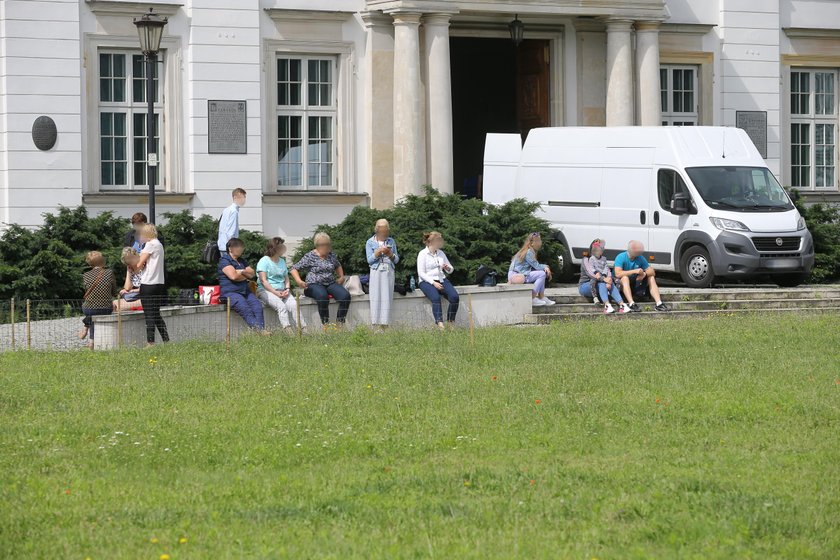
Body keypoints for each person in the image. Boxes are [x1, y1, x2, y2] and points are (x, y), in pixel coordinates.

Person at [290, 232, 351, 327]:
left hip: (330, 283)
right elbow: (294, 268)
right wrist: (299, 281)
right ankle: (326, 325)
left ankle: (339, 324)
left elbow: (338, 265)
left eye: (327, 244)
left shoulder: (331, 255)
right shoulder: (310, 256)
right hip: (313, 284)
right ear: (317, 245)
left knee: (345, 296)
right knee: (323, 297)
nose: (326, 247)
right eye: (323, 245)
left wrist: (341, 276)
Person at [256, 237, 304, 333]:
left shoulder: (282, 261)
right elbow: (263, 281)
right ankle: (288, 331)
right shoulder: (264, 260)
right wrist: (275, 293)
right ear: (274, 248)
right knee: (281, 306)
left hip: (283, 290)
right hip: (266, 290)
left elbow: (286, 278)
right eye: (281, 245)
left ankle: (303, 329)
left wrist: (287, 289)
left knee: (295, 305)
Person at [219, 237, 267, 332]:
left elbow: (252, 273)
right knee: (245, 309)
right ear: (230, 248)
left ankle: (261, 333)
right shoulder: (224, 260)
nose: (241, 248)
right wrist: (245, 273)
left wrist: (240, 272)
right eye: (238, 246)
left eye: (242, 246)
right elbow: (233, 277)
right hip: (231, 293)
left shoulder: (242, 260)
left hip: (245, 291)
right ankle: (261, 331)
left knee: (257, 306)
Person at [417, 231, 460, 329]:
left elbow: (451, 269)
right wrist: (433, 283)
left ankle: (450, 321)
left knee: (454, 297)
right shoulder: (422, 254)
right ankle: (440, 323)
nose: (441, 242)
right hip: (426, 281)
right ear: (432, 242)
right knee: (436, 298)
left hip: (441, 279)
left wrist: (447, 268)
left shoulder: (441, 253)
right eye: (439, 240)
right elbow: (421, 273)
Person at [136, 224, 170, 346]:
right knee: (156, 313)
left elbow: (139, 264)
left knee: (149, 314)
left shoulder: (150, 245)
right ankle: (166, 340)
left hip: (148, 283)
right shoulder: (159, 245)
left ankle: (151, 342)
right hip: (159, 283)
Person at [614, 240, 670, 312]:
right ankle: (631, 304)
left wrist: (644, 274)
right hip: (621, 285)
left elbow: (652, 272)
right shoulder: (621, 257)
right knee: (625, 278)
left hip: (635, 283)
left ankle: (659, 304)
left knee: (651, 277)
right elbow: (617, 274)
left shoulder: (640, 258)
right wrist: (634, 271)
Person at [365, 219, 400, 331]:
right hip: (376, 271)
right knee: (376, 297)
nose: (384, 234)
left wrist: (390, 255)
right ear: (377, 231)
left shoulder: (391, 241)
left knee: (387, 297)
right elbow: (369, 260)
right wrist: (376, 253)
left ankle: (384, 326)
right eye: (382, 232)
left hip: (388, 271)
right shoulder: (370, 242)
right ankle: (375, 325)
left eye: (386, 231)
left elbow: (396, 260)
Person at [579, 239, 629, 314]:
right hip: (586, 285)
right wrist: (604, 279)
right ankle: (607, 305)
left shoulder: (603, 259)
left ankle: (622, 305)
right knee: (602, 283)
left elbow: (607, 270)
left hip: (600, 284)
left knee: (609, 283)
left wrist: (608, 280)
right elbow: (591, 274)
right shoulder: (586, 260)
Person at [79, 251, 117, 349]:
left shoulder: (86, 275)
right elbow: (114, 292)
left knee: (91, 312)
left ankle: (86, 327)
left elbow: (87, 291)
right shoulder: (109, 273)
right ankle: (91, 341)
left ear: (90, 263)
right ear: (103, 261)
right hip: (105, 308)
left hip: (89, 309)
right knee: (95, 312)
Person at [510, 232, 555, 307]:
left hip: (519, 274)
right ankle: (532, 298)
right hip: (516, 275)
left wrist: (545, 267)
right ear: (531, 243)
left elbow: (535, 266)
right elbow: (536, 266)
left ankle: (542, 297)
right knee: (542, 274)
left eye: (540, 240)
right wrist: (546, 267)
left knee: (541, 273)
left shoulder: (528, 250)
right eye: (537, 241)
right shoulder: (529, 252)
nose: (540, 243)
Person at [113, 247, 144, 312]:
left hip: (145, 298)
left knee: (117, 306)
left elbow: (148, 287)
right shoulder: (131, 269)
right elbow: (127, 288)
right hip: (136, 298)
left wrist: (133, 291)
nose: (130, 262)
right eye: (128, 261)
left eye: (131, 258)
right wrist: (128, 272)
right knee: (113, 304)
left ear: (136, 256)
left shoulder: (144, 267)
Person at [218, 188, 247, 255]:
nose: (244, 200)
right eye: (241, 197)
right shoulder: (234, 211)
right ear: (235, 197)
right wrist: (232, 247)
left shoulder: (226, 210)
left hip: (223, 245)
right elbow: (231, 231)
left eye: (244, 197)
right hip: (229, 247)